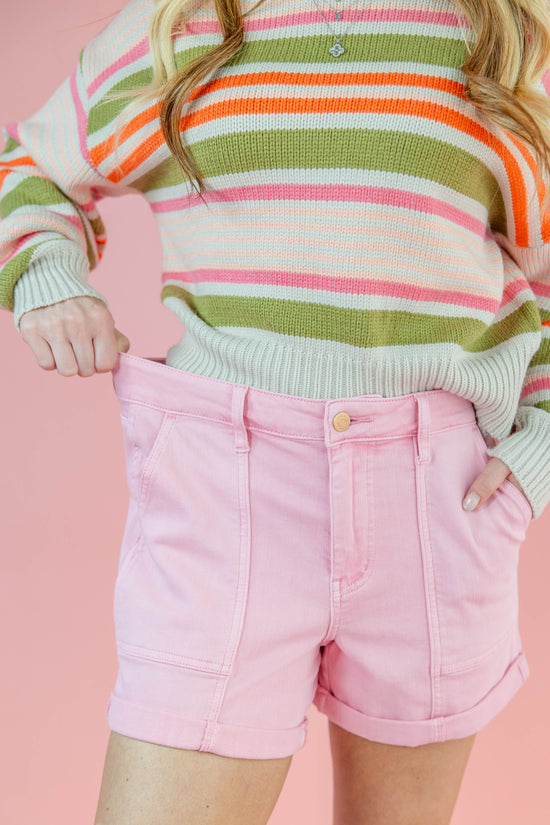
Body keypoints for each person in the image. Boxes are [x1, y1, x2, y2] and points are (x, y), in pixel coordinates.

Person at [2, 0, 550, 822]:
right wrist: (46, 276)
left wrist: (541, 447)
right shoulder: (181, 26)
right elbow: (29, 164)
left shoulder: (499, 35)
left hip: (435, 505)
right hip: (228, 492)